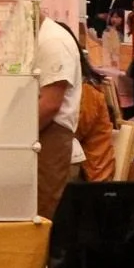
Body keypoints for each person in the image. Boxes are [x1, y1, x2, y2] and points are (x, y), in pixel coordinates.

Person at [34, 13, 84, 218]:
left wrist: (16, 136)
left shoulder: (53, 41)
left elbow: (50, 104)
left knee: (44, 212)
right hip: (39, 132)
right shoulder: (40, 37)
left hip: (50, 132)